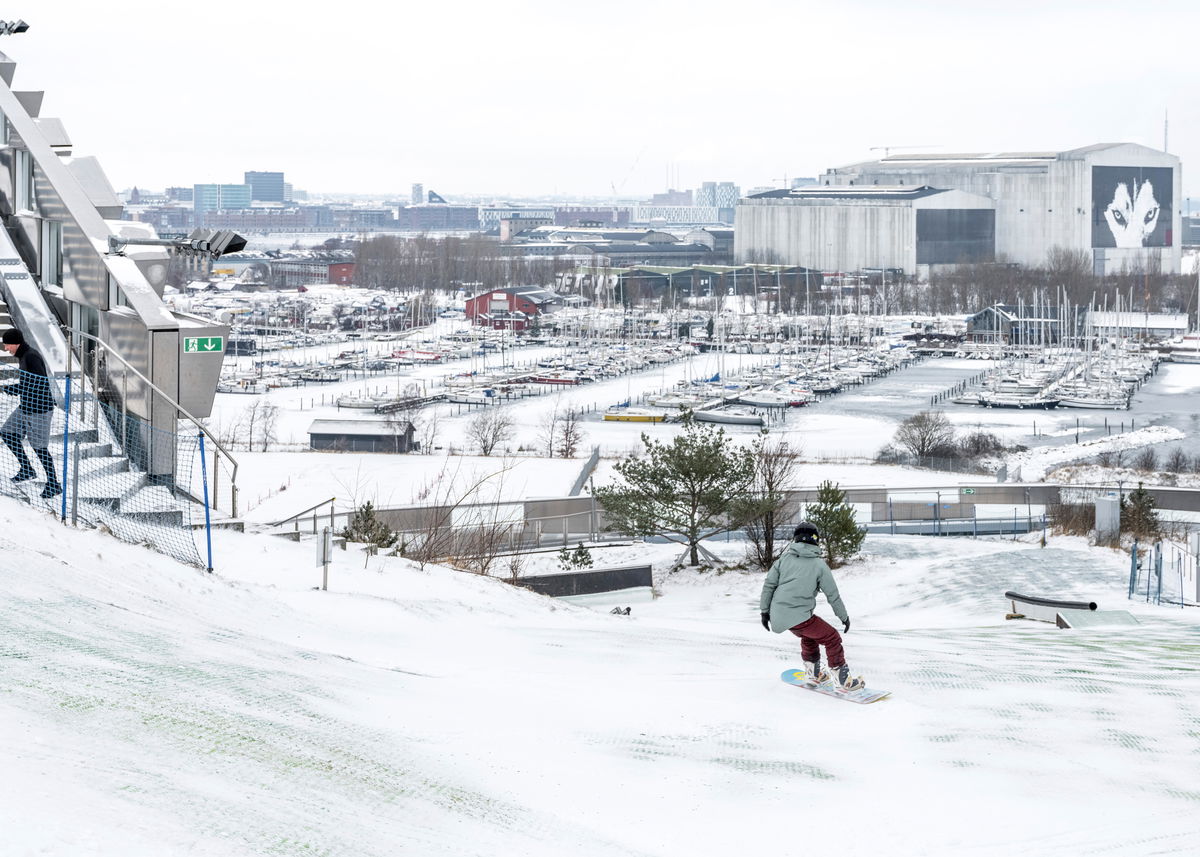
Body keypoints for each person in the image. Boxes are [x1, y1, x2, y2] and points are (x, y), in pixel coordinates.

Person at [760, 521, 864, 690]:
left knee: (809, 635)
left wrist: (765, 612)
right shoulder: (819, 565)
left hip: (779, 615)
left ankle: (813, 673)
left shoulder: (784, 559)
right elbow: (833, 595)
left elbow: (769, 585)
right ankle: (842, 680)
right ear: (816, 540)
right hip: (799, 615)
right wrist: (843, 617)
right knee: (832, 638)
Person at [1, 328, 61, 499]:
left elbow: (39, 383)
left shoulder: (31, 356)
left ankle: (53, 484)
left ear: (15, 343)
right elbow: (29, 383)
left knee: (40, 448)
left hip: (40, 410)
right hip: (26, 407)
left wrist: (16, 388)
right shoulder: (23, 356)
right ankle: (27, 469)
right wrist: (18, 389)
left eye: (7, 345)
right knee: (7, 433)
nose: (6, 349)